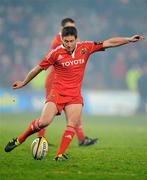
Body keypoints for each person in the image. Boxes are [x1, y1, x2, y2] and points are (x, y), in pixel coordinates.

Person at [5, 26, 144, 161]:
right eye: (66, 41)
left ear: (76, 39)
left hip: (74, 96)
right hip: (57, 93)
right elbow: (37, 69)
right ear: (62, 41)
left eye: (72, 41)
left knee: (72, 124)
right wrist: (24, 82)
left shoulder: (85, 47)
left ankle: (59, 155)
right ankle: (19, 140)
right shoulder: (55, 53)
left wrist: (128, 39)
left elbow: (109, 42)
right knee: (43, 122)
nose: (69, 44)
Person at [37, 18, 98, 146]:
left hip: (66, 82)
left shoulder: (70, 41)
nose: (72, 31)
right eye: (69, 28)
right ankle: (40, 138)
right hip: (55, 81)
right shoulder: (58, 43)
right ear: (62, 29)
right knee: (48, 114)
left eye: (73, 28)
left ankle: (81, 138)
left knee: (73, 112)